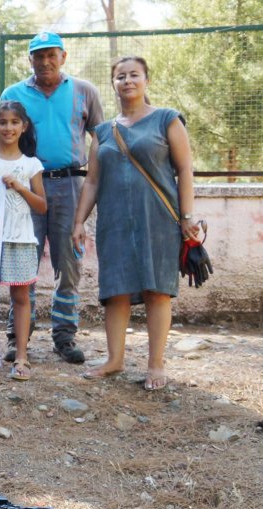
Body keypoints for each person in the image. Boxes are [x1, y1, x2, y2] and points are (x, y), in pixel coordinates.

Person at [72, 57, 196, 391]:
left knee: (157, 290)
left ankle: (155, 364)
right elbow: (93, 181)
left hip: (158, 217)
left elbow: (185, 170)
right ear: (113, 83)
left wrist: (187, 217)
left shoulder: (166, 119)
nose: (127, 81)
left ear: (146, 80)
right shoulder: (103, 131)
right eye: (120, 76)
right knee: (116, 291)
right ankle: (114, 360)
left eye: (134, 75)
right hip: (114, 220)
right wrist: (79, 220)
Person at [0, 31, 104, 365]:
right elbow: (2, 139)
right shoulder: (14, 93)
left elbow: (99, 138)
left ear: (63, 57)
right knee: (22, 260)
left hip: (71, 185)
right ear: (29, 59)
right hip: (26, 186)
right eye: (37, 55)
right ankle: (20, 339)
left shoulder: (85, 91)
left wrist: (97, 180)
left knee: (69, 264)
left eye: (51, 55)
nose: (45, 61)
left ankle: (65, 336)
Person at [0, 101, 47, 380]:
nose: (8, 128)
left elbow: (42, 205)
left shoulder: (31, 165)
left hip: (21, 239)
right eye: (2, 122)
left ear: (23, 126)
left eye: (14, 122)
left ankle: (21, 356)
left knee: (21, 297)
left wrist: (19, 187)